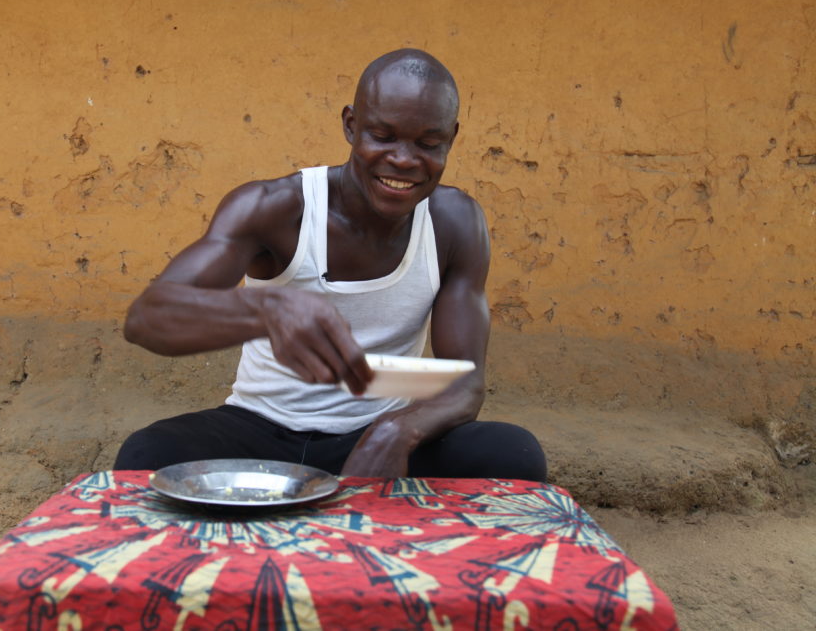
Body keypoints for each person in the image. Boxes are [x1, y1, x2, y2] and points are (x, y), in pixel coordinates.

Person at [115, 49, 547, 480]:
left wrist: (398, 431)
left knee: (513, 454)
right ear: (350, 126)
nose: (403, 159)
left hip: (375, 437)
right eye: (382, 135)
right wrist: (265, 311)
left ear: (451, 139)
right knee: (147, 453)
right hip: (261, 428)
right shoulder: (273, 209)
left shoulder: (455, 224)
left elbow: (465, 385)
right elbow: (147, 319)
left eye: (428, 144)